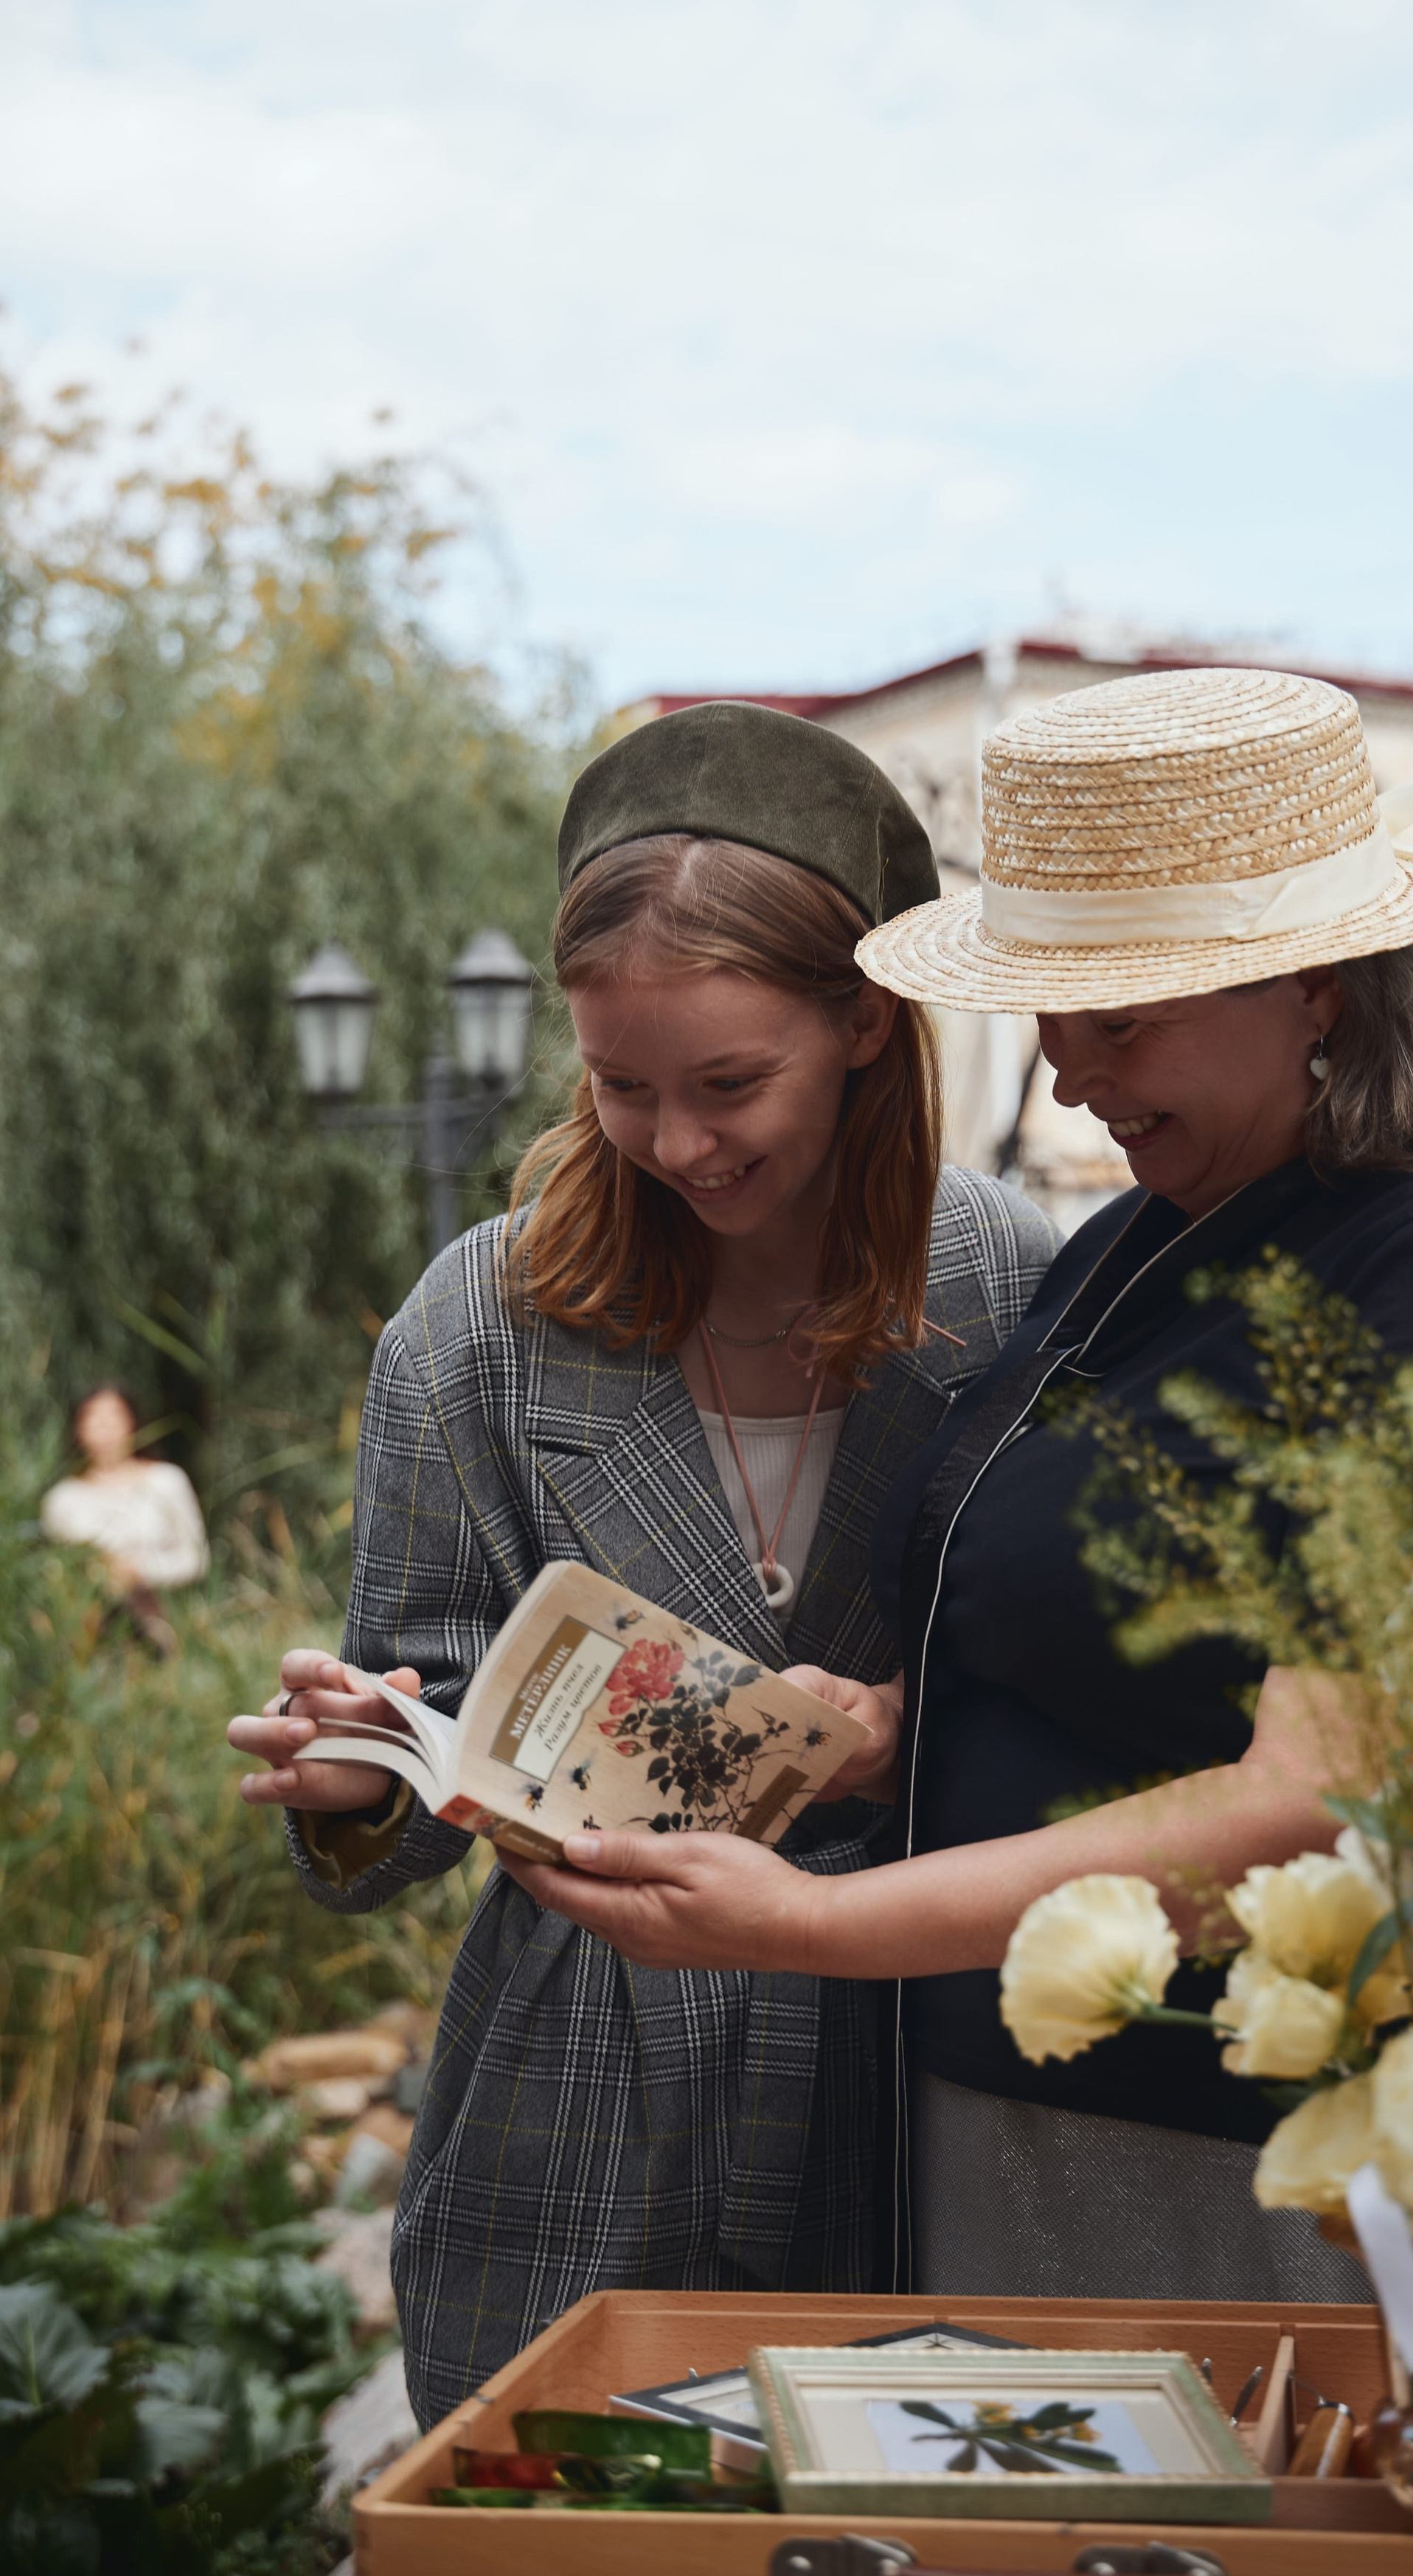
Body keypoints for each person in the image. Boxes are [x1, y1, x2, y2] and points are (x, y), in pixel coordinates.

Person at [501, 666, 1413, 2305]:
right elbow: (1091, 1661)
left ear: (1315, 985)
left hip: (1246, 2157)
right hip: (1008, 2119)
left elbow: (1308, 1794)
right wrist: (884, 1730)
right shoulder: (1136, 1239)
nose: (1072, 1073)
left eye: (1124, 1016)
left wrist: (795, 1927)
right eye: (1049, 1012)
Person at [225, 703, 1056, 2426]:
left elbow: (1078, 1720)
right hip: (577, 2119)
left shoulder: (1006, 1287)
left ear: (862, 1026)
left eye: (729, 1082)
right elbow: (417, 1753)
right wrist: (358, 1767)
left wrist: (907, 1729)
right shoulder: (479, 1325)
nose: (676, 1142)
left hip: (905, 2097)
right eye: (620, 1087)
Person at [41, 1384, 206, 1658]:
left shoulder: (166, 1481)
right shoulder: (62, 1499)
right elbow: (52, 1572)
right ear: (78, 1428)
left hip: (162, 1625)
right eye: (94, 1419)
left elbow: (197, 1558)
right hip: (87, 1635)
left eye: (113, 1417)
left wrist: (140, 1572)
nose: (105, 1429)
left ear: (133, 1423)